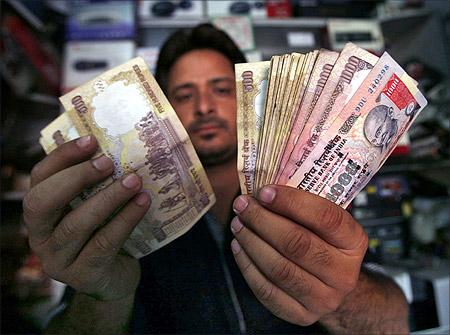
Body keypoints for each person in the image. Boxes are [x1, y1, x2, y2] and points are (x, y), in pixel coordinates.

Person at [23, 24, 409, 334]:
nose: (205, 106)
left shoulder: (309, 196)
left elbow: (394, 321)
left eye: (221, 89)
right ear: (164, 111)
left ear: (251, 96)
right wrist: (103, 296)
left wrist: (342, 297)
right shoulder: (124, 222)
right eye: (185, 95)